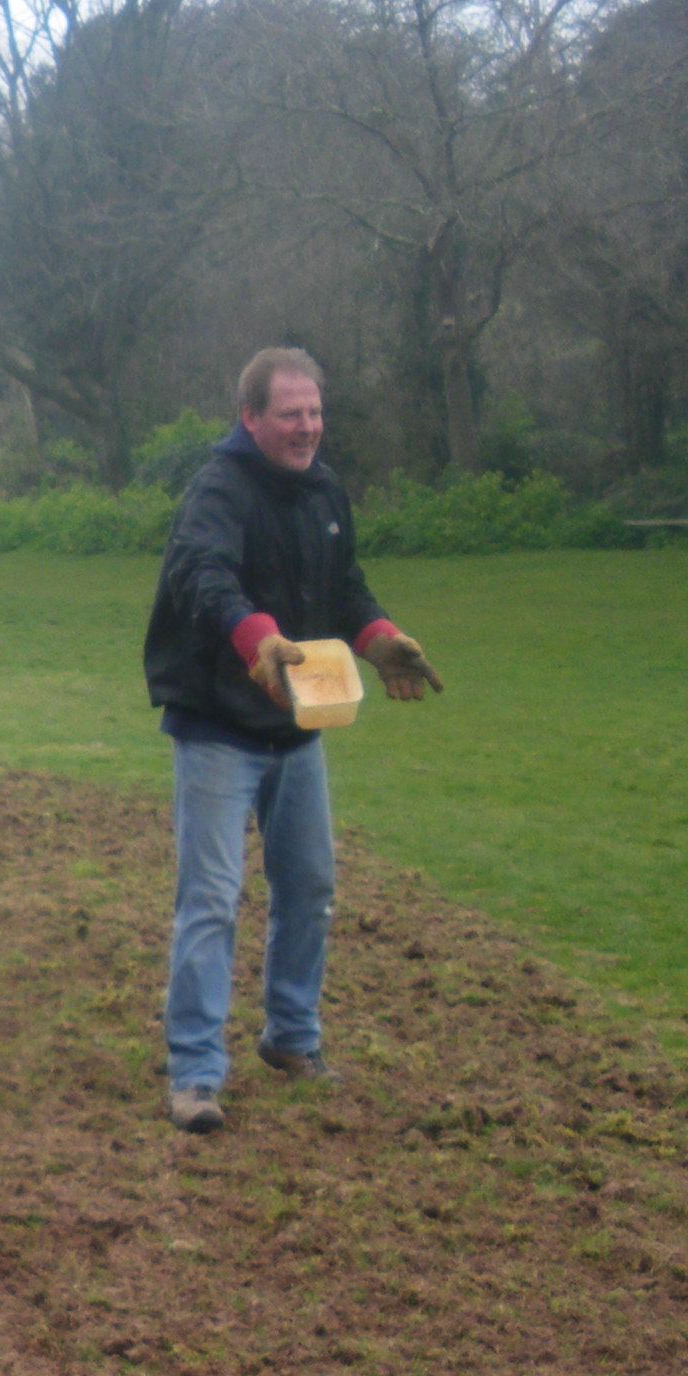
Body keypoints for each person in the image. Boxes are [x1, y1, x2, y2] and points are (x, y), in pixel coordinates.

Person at [144, 347, 442, 1134]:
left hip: (299, 727)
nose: (307, 427)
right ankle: (197, 1074)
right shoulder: (218, 491)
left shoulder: (324, 488)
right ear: (251, 417)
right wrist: (258, 639)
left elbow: (344, 587)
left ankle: (291, 1039)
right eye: (290, 413)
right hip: (217, 728)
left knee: (309, 886)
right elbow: (202, 577)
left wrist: (379, 641)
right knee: (211, 899)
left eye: (315, 412)